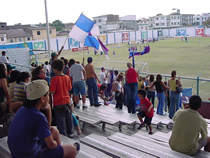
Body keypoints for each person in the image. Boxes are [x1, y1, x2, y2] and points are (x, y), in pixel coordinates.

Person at [7, 80, 78, 158]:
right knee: (72, 150)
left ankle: (60, 149)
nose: (49, 98)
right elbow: (51, 145)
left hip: (17, 152)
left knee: (54, 130)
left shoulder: (23, 109)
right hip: (30, 155)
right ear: (42, 99)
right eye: (47, 95)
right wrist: (55, 144)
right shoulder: (39, 116)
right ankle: (64, 149)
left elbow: (46, 129)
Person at [50, 59, 74, 137]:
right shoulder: (67, 77)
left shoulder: (54, 79)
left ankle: (64, 138)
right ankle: (71, 133)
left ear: (55, 69)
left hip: (58, 103)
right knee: (69, 119)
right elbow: (69, 89)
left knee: (61, 123)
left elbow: (52, 92)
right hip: (67, 101)